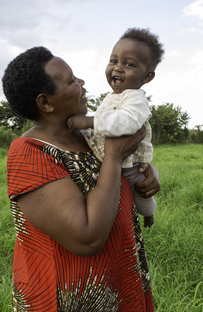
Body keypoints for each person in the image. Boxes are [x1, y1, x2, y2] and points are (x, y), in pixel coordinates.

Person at [3, 46, 160, 312]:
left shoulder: (88, 137)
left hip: (118, 289)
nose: (82, 84)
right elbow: (86, 237)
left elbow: (113, 181)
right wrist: (113, 156)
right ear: (46, 103)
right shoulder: (29, 152)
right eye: (72, 80)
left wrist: (146, 175)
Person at [67, 28, 165, 228]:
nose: (118, 68)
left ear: (147, 76)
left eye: (128, 64)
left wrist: (88, 121)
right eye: (114, 61)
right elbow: (102, 129)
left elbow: (126, 122)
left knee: (141, 198)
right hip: (109, 160)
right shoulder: (112, 96)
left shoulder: (136, 98)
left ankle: (149, 214)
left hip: (130, 165)